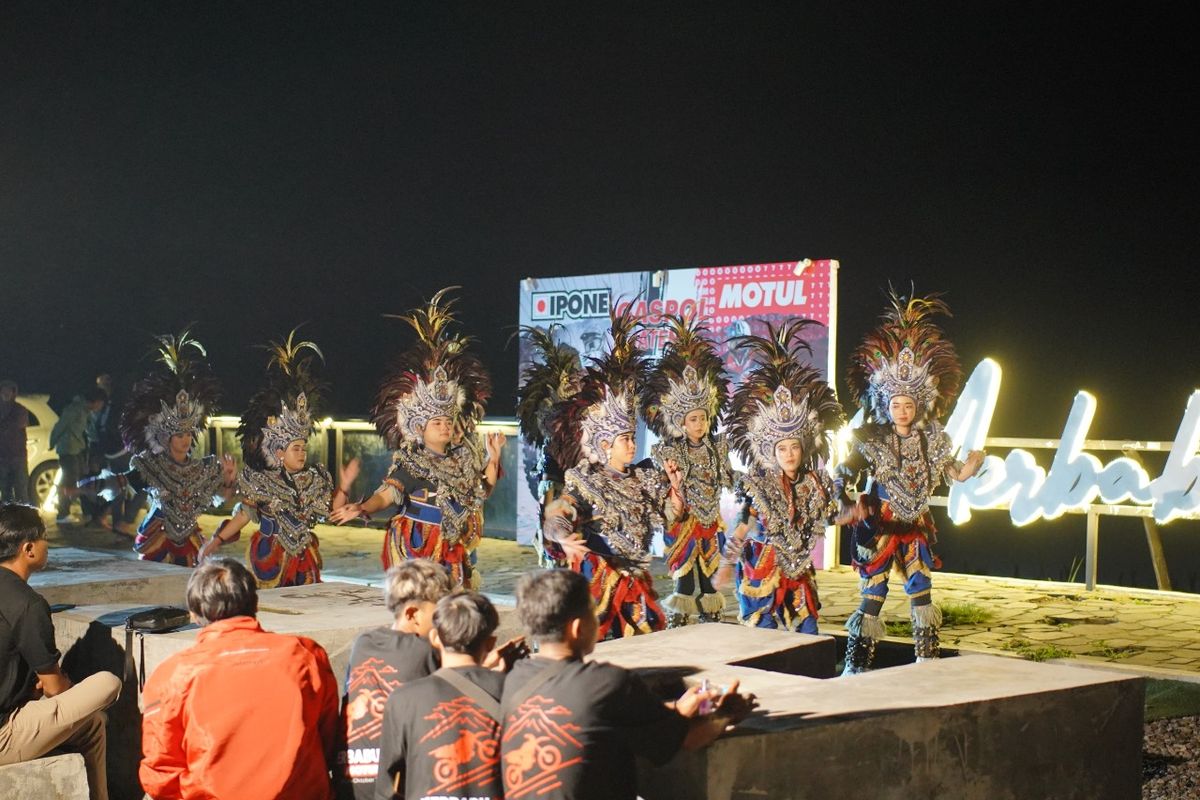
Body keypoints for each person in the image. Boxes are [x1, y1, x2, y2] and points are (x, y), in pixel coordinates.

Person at [500, 569, 757, 800]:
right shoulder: (608, 683)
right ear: (577, 628)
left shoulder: (515, 680)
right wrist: (724, 715)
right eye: (593, 610)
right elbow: (688, 739)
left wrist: (676, 710)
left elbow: (593, 720)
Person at [838, 290, 985, 674]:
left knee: (921, 591)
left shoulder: (934, 440)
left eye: (908, 404)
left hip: (916, 525)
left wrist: (972, 463)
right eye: (895, 404)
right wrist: (848, 505)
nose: (902, 410)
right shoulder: (871, 440)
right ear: (884, 406)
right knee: (875, 593)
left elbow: (956, 475)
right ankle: (856, 666)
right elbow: (841, 476)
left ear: (919, 405)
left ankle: (927, 663)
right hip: (880, 527)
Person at [330, 288, 501, 589]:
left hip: (453, 549)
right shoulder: (412, 462)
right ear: (419, 427)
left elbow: (482, 491)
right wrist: (363, 507)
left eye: (448, 420)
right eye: (436, 421)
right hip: (418, 546)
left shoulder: (461, 458)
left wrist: (494, 457)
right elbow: (389, 494)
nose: (445, 427)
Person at [139, 558, 340, 800]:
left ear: (193, 614)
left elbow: (161, 773)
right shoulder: (305, 654)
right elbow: (328, 741)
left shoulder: (172, 674)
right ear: (255, 603)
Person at [542, 307, 684, 640]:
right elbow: (558, 513)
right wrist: (562, 536)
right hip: (599, 576)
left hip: (636, 578)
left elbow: (670, 517)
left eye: (633, 438)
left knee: (643, 640)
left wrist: (676, 491)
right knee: (601, 643)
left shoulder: (644, 476)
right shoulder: (585, 478)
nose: (631, 445)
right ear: (605, 443)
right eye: (624, 439)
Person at [717, 321, 853, 633]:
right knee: (764, 636)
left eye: (794, 447)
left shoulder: (816, 483)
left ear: (804, 449)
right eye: (782, 448)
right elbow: (742, 527)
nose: (790, 454)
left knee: (808, 631)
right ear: (771, 451)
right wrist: (726, 565)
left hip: (800, 570)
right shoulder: (758, 485)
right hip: (763, 568)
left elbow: (829, 517)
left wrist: (850, 514)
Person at [199, 330, 357, 587]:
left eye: (304, 447)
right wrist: (216, 540)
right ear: (279, 452)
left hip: (305, 556)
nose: (302, 452)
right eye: (296, 448)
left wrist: (346, 485)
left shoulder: (313, 478)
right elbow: (243, 515)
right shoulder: (261, 481)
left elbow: (332, 512)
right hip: (269, 553)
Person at [76, 332, 235, 566]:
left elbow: (220, 498)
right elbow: (119, 483)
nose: (186, 440)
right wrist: (81, 488)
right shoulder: (151, 467)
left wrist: (229, 478)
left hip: (191, 541)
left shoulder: (202, 469)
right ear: (165, 438)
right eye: (179, 435)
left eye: (189, 434)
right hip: (157, 538)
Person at [0, 503, 123, 800]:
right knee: (108, 682)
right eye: (45, 538)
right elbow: (55, 689)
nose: (48, 545)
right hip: (4, 734)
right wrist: (57, 682)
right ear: (29, 549)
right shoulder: (27, 604)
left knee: (91, 725)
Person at [640, 314, 734, 626]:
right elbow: (659, 487)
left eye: (704, 418)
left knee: (708, 584)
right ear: (681, 422)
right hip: (682, 525)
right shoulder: (668, 451)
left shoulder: (718, 448)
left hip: (711, 526)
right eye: (693, 419)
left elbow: (730, 479)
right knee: (684, 581)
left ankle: (712, 630)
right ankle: (678, 632)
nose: (700, 424)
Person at [374, 591, 505, 800]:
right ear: (490, 643)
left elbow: (388, 786)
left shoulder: (403, 699)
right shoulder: (512, 692)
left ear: (435, 638)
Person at [336, 560, 448, 800]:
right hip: (393, 788)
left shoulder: (362, 643)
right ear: (412, 614)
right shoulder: (423, 652)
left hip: (349, 781)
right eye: (438, 615)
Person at [515, 326, 582, 568]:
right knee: (557, 545)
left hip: (581, 481)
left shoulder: (586, 401)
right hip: (555, 476)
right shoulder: (548, 404)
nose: (576, 375)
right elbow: (549, 485)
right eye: (571, 368)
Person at [50, 387, 107, 523]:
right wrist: (52, 442)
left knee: (80, 479)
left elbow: (89, 430)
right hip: (68, 449)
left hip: (78, 449)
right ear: (96, 401)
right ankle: (62, 514)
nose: (101, 406)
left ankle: (84, 511)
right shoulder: (74, 409)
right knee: (68, 480)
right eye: (101, 403)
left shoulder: (85, 411)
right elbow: (61, 425)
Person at [0, 380, 30, 503]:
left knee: (21, 491)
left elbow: (16, 424)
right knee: (5, 492)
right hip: (2, 458)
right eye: (3, 390)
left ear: (13, 393)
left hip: (18, 457)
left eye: (9, 390)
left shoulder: (20, 409)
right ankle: (8, 519)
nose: (6, 393)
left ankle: (23, 519)